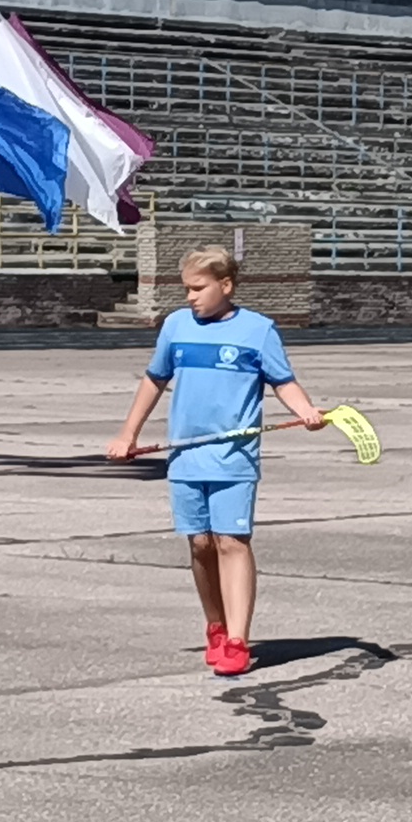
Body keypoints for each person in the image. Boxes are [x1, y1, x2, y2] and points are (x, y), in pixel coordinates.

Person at [107, 243, 322, 678]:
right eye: (186, 288)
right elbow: (154, 380)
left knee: (231, 541)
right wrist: (128, 432)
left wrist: (306, 411)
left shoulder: (258, 331)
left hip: (234, 457)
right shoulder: (176, 327)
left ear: (225, 286)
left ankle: (239, 639)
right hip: (185, 455)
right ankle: (216, 625)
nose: (190, 297)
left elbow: (284, 382)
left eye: (198, 288)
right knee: (200, 544)